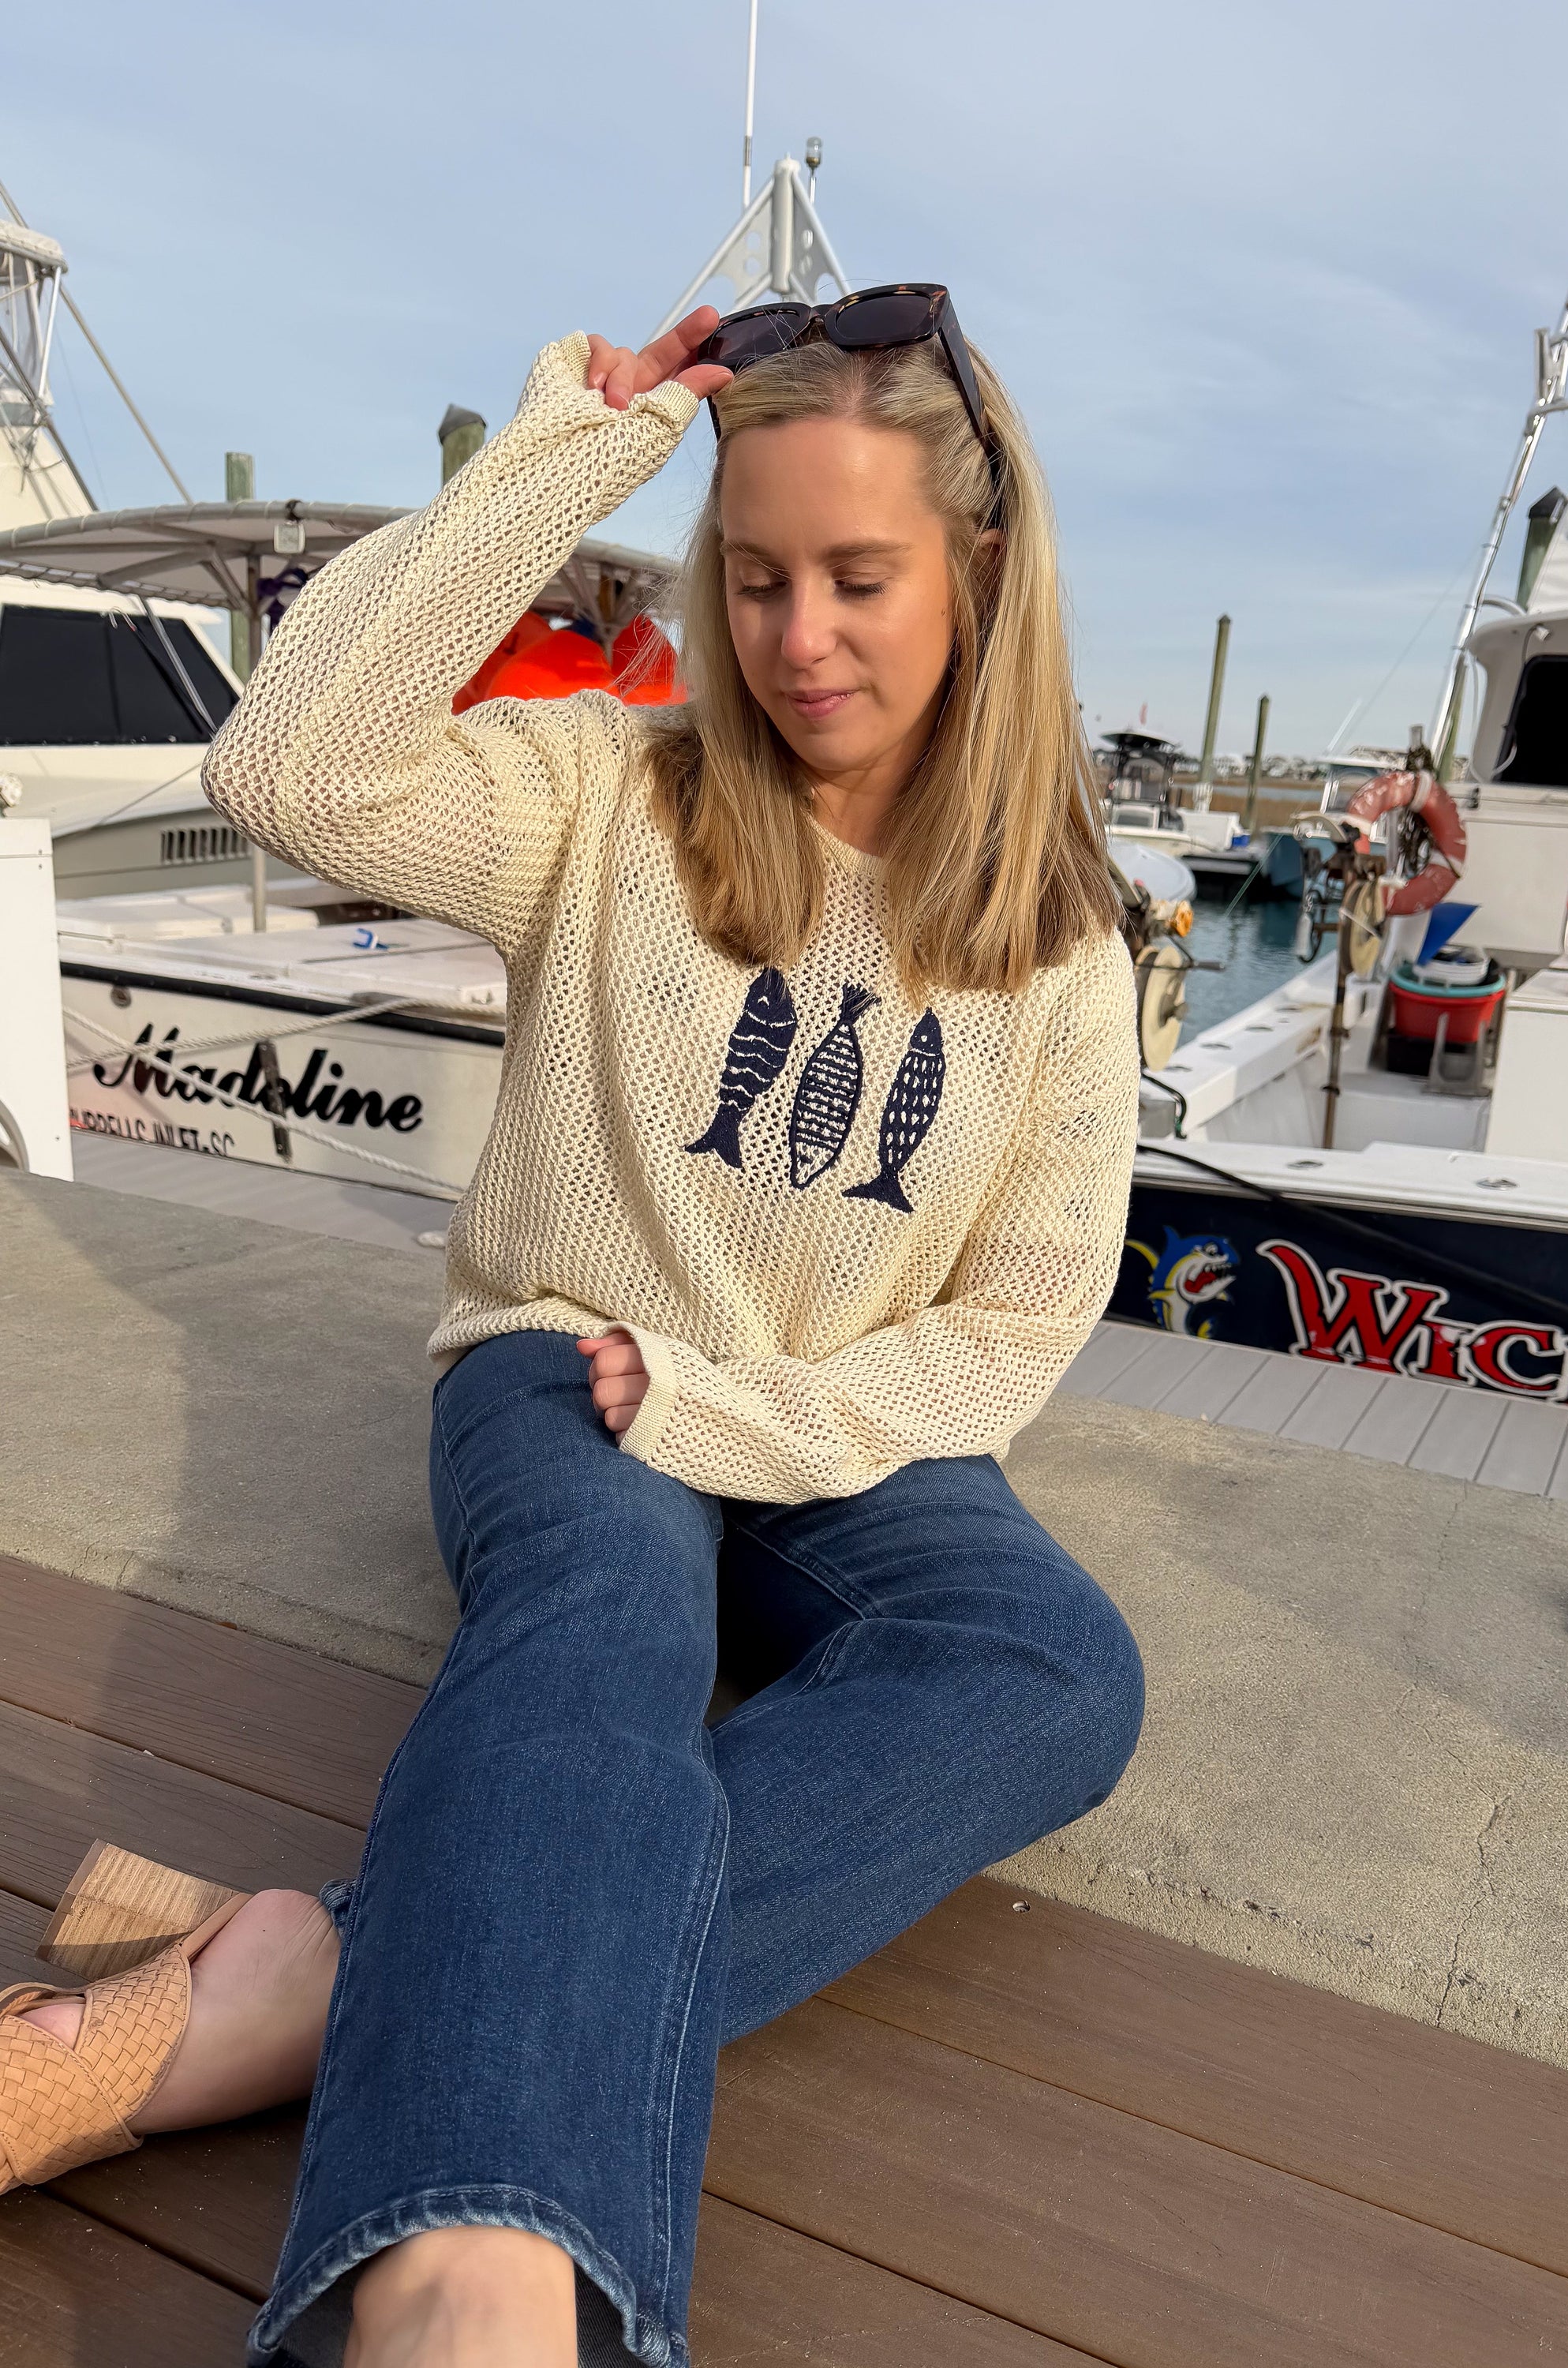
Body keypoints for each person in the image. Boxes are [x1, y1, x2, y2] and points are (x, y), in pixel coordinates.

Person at [2, 290, 1145, 2367]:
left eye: (861, 579)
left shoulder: (1062, 939)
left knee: (1058, 1668)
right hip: (566, 1358)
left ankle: (317, 1981)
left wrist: (734, 1410)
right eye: (758, 575)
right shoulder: (609, 800)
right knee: (609, 1615)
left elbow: (1010, 1328)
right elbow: (283, 766)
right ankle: (474, 2278)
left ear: (981, 573)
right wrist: (567, 459)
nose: (802, 637)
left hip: (848, 1434)